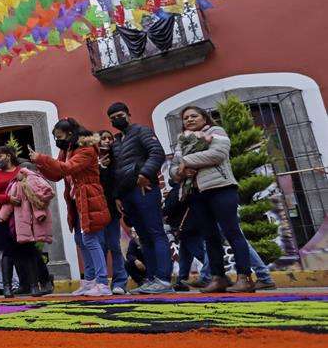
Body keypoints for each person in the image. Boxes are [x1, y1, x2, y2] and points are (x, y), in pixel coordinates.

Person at [170, 106, 256, 293]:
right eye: (186, 118)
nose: (190, 120)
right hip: (195, 193)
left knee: (232, 232)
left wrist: (187, 161)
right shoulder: (181, 142)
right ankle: (218, 278)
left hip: (220, 188)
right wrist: (181, 171)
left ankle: (245, 278)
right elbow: (173, 169)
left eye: (194, 116)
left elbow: (218, 154)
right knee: (210, 237)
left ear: (204, 117)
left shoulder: (216, 131)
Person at [30, 119, 112, 296]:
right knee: (81, 241)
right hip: (76, 200)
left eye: (58, 136)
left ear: (69, 134)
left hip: (89, 197)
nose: (57, 140)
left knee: (91, 240)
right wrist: (40, 165)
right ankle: (89, 282)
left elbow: (67, 168)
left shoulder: (86, 149)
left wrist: (42, 158)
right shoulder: (66, 149)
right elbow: (57, 174)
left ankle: (103, 283)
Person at [106, 102, 172, 294]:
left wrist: (144, 174)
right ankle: (151, 279)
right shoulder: (116, 142)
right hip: (126, 194)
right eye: (112, 118)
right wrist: (117, 195)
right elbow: (115, 170)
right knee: (143, 237)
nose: (117, 120)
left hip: (144, 189)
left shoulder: (142, 131)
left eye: (119, 115)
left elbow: (156, 152)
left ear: (128, 114)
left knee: (155, 232)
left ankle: (164, 279)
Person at [0, 167, 56, 297]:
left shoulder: (19, 185)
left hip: (19, 224)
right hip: (28, 224)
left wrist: (2, 216)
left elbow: (8, 205)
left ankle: (14, 287)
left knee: (19, 253)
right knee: (27, 253)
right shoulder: (36, 183)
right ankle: (33, 286)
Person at [0, 146, 27, 298]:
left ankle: (26, 283)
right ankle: (9, 284)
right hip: (3, 217)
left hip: (22, 215)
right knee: (6, 251)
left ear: (9, 156)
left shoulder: (21, 171)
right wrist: (8, 199)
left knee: (25, 249)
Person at [97, 129, 129, 295]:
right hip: (97, 208)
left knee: (115, 246)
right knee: (99, 247)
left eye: (110, 138)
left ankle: (120, 282)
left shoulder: (117, 159)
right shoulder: (93, 159)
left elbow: (118, 182)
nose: (107, 141)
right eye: (104, 138)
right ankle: (101, 282)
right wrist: (100, 166)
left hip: (111, 207)